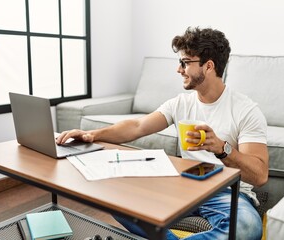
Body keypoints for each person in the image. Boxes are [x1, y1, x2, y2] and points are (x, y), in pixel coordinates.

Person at [56, 27, 269, 240]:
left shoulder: (245, 110)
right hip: (185, 186)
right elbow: (138, 126)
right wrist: (91, 135)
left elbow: (259, 175)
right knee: (115, 198)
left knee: (248, 228)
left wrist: (222, 149)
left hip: (226, 192)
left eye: (185, 63)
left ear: (209, 66)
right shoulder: (180, 103)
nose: (179, 69)